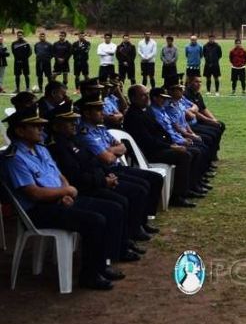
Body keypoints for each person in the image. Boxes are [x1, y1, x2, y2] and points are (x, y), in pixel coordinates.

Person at [1, 106, 126, 290]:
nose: (41, 129)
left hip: (60, 199)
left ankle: (102, 265)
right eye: (35, 126)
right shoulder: (15, 158)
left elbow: (59, 174)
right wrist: (64, 193)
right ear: (20, 131)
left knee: (112, 208)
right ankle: (89, 276)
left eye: (41, 126)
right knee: (95, 221)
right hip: (39, 210)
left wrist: (65, 190)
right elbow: (34, 193)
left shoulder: (40, 148)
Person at [44, 100, 147, 262]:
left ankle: (122, 244)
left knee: (124, 199)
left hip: (95, 181)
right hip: (84, 188)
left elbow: (93, 162)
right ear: (56, 127)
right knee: (117, 205)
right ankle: (115, 251)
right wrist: (103, 180)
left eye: (73, 120)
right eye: (68, 122)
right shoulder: (57, 147)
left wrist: (107, 176)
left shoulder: (73, 141)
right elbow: (76, 175)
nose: (73, 124)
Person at [75, 94, 163, 236]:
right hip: (107, 171)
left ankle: (143, 220)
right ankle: (134, 229)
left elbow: (123, 148)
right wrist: (111, 152)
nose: (103, 113)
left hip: (116, 166)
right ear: (86, 113)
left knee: (155, 178)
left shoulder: (100, 128)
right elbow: (108, 159)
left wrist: (110, 150)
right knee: (139, 189)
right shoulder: (85, 134)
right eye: (98, 110)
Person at [122, 85, 199, 207]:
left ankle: (189, 187)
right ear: (133, 98)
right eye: (142, 95)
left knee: (191, 151)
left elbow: (160, 130)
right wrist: (171, 147)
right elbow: (147, 140)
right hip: (148, 152)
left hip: (158, 146)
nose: (146, 98)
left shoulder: (146, 110)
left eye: (147, 94)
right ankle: (177, 196)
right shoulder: (133, 116)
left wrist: (171, 143)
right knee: (184, 155)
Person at [184, 74, 226, 156]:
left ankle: (214, 152)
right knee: (212, 134)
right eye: (196, 82)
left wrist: (214, 119)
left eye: (200, 82)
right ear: (189, 83)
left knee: (220, 125)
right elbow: (196, 113)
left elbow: (203, 109)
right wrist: (208, 120)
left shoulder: (198, 94)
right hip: (195, 122)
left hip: (200, 120)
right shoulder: (186, 94)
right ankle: (211, 155)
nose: (199, 84)